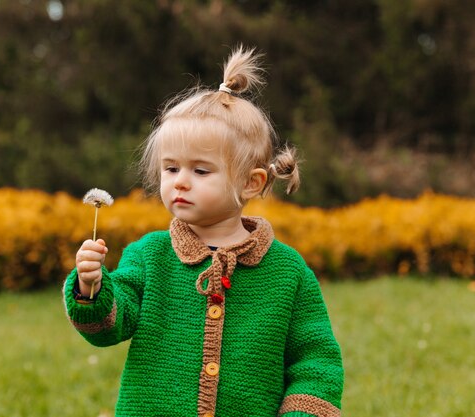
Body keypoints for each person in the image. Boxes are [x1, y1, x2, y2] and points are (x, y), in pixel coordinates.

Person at [63, 45, 344, 417]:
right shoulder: (150, 256)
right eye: (171, 168)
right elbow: (109, 326)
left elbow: (316, 363)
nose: (180, 182)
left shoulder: (287, 272)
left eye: (200, 171)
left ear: (250, 182)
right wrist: (90, 286)